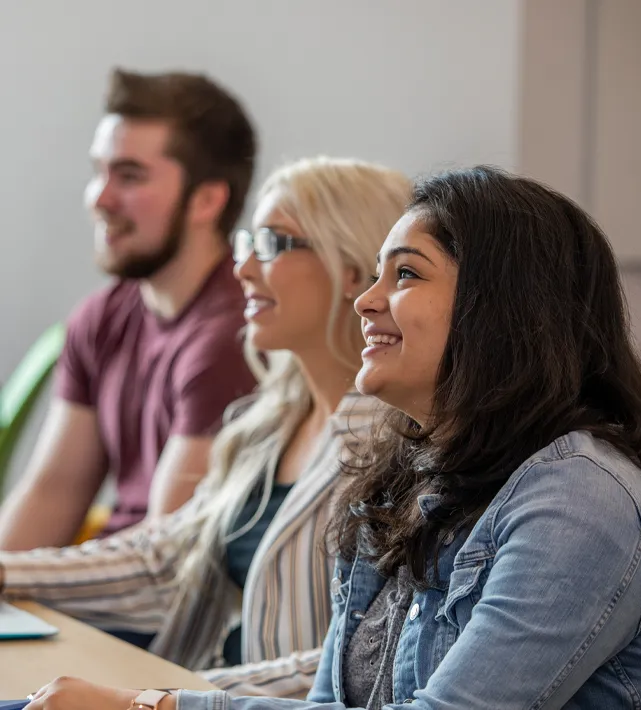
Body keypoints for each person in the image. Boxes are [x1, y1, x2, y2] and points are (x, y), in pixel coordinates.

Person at [21, 166, 641, 708]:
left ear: (498, 310)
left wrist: (155, 705)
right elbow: (333, 703)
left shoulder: (579, 501)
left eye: (405, 274)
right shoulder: (404, 475)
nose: (367, 301)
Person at [0, 156, 411, 698]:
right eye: (247, 245)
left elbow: (361, 661)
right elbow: (166, 561)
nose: (242, 269)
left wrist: (166, 697)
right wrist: (10, 573)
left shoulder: (396, 444)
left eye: (272, 245)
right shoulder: (268, 421)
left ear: (356, 270)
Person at [0, 68, 257, 549]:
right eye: (99, 171)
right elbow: (53, 494)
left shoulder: (234, 335)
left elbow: (162, 565)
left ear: (206, 200)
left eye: (129, 175)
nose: (99, 198)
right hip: (96, 586)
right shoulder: (100, 319)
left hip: (147, 609)